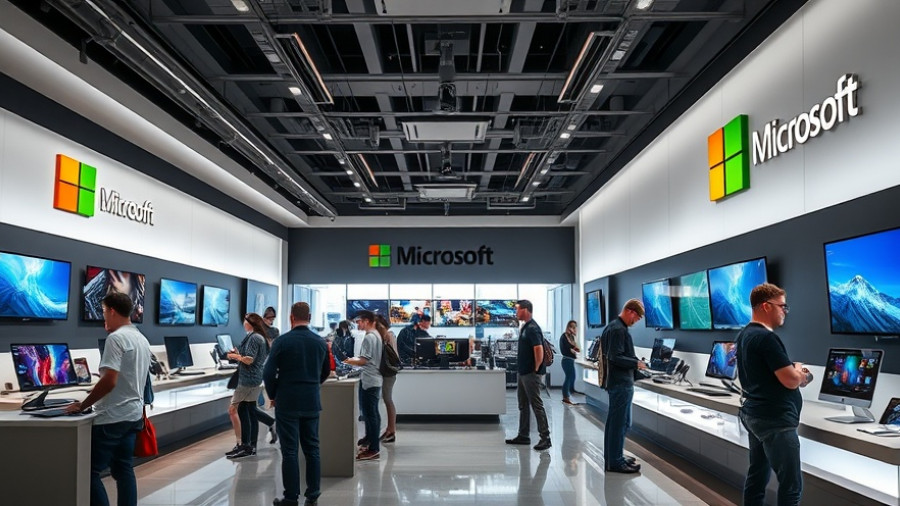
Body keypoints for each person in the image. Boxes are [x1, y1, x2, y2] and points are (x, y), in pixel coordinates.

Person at [64, 292, 151, 506]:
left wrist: (83, 405)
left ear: (112, 311)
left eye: (103, 312)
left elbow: (110, 380)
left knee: (88, 472)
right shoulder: (141, 338)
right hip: (132, 417)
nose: (103, 317)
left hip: (111, 418)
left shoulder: (116, 338)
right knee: (123, 469)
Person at [736, 283, 812, 506]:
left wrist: (793, 370)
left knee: (757, 477)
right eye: (783, 306)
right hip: (775, 421)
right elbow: (789, 380)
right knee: (791, 487)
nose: (785, 312)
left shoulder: (744, 335)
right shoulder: (767, 338)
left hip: (756, 416)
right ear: (767, 306)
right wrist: (801, 373)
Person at [264, 302, 330, 506]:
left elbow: (267, 373)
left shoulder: (282, 342)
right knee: (312, 449)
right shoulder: (320, 342)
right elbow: (326, 371)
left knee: (290, 451)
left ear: (291, 317)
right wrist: (313, 384)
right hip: (311, 401)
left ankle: (291, 497)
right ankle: (313, 495)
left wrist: (274, 394)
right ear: (309, 317)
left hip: (287, 402)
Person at [600, 298, 647, 473]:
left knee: (618, 423)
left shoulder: (612, 327)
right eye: (636, 318)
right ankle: (615, 461)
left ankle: (614, 457)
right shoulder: (619, 330)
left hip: (617, 382)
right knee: (619, 423)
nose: (635, 322)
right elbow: (615, 357)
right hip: (621, 384)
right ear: (630, 312)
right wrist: (636, 364)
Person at [505, 300, 551, 452]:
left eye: (518, 309)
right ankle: (523, 435)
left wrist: (536, 369)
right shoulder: (525, 326)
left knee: (536, 405)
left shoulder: (532, 328)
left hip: (530, 374)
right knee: (523, 404)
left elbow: (538, 350)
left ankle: (545, 438)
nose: (516, 312)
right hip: (523, 372)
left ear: (526, 310)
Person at [225, 313, 269, 459]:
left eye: (245, 320)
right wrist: (239, 354)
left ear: (250, 323)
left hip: (248, 380)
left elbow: (249, 360)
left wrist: (234, 356)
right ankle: (250, 446)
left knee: (235, 409)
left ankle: (244, 445)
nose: (243, 323)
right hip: (254, 379)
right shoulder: (256, 337)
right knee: (249, 410)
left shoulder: (254, 337)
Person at [343, 310, 383, 461]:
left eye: (359, 322)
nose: (357, 325)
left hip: (369, 380)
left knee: (370, 414)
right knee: (372, 414)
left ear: (366, 321)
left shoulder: (369, 337)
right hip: (374, 379)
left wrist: (348, 361)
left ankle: (373, 449)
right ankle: (370, 442)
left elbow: (364, 360)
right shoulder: (377, 335)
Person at [375, 314, 398, 443]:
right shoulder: (390, 335)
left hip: (388, 373)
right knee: (387, 399)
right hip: (390, 372)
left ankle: (391, 430)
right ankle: (389, 429)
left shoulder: (387, 336)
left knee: (387, 399)